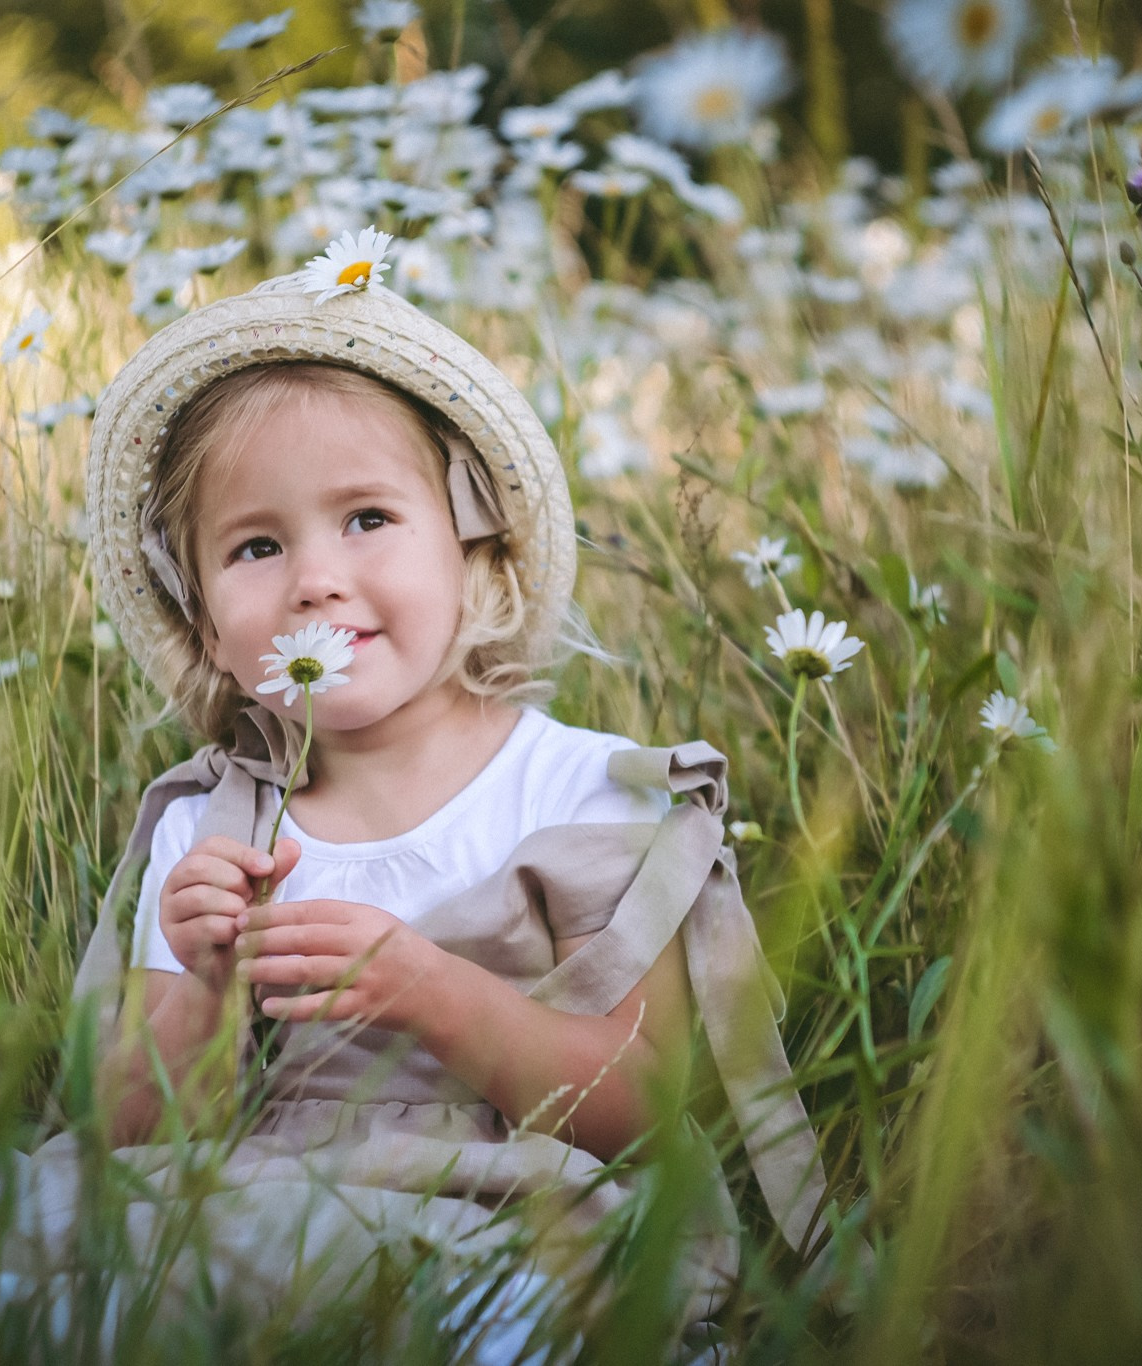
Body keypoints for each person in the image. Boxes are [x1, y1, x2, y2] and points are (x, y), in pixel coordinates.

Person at [58, 252, 838, 1356]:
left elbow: (641, 1107)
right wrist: (205, 987)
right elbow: (129, 1131)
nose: (315, 579)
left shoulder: (576, 790)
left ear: (473, 551)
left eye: (366, 518)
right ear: (206, 625)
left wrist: (426, 989)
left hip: (510, 1212)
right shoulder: (214, 828)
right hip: (245, 1212)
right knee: (57, 1264)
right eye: (256, 545)